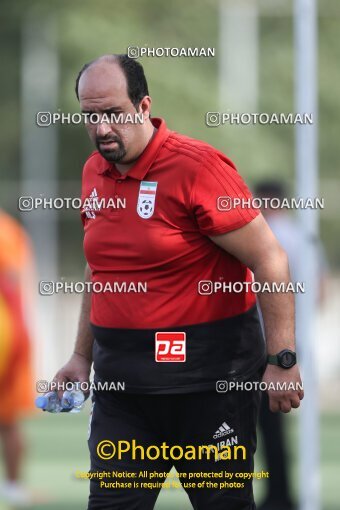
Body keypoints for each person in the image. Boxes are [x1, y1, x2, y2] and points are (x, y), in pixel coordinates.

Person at [54, 54, 304, 510]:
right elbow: (102, 268)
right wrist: (80, 356)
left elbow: (270, 259)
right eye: (90, 116)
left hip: (209, 388)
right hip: (123, 393)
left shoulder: (198, 168)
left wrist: (282, 358)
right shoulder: (94, 172)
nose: (102, 128)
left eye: (113, 114)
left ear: (144, 106)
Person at [254, 181, 327, 510]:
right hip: (298, 343)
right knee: (279, 423)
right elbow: (321, 292)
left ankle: (277, 495)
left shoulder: (263, 236)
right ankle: (283, 494)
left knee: (254, 425)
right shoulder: (306, 237)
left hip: (263, 344)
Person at [0, 210, 35, 506]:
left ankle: (12, 485)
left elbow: (10, 286)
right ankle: (12, 485)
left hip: (6, 332)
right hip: (10, 331)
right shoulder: (8, 228)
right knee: (8, 418)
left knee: (8, 418)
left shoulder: (4, 231)